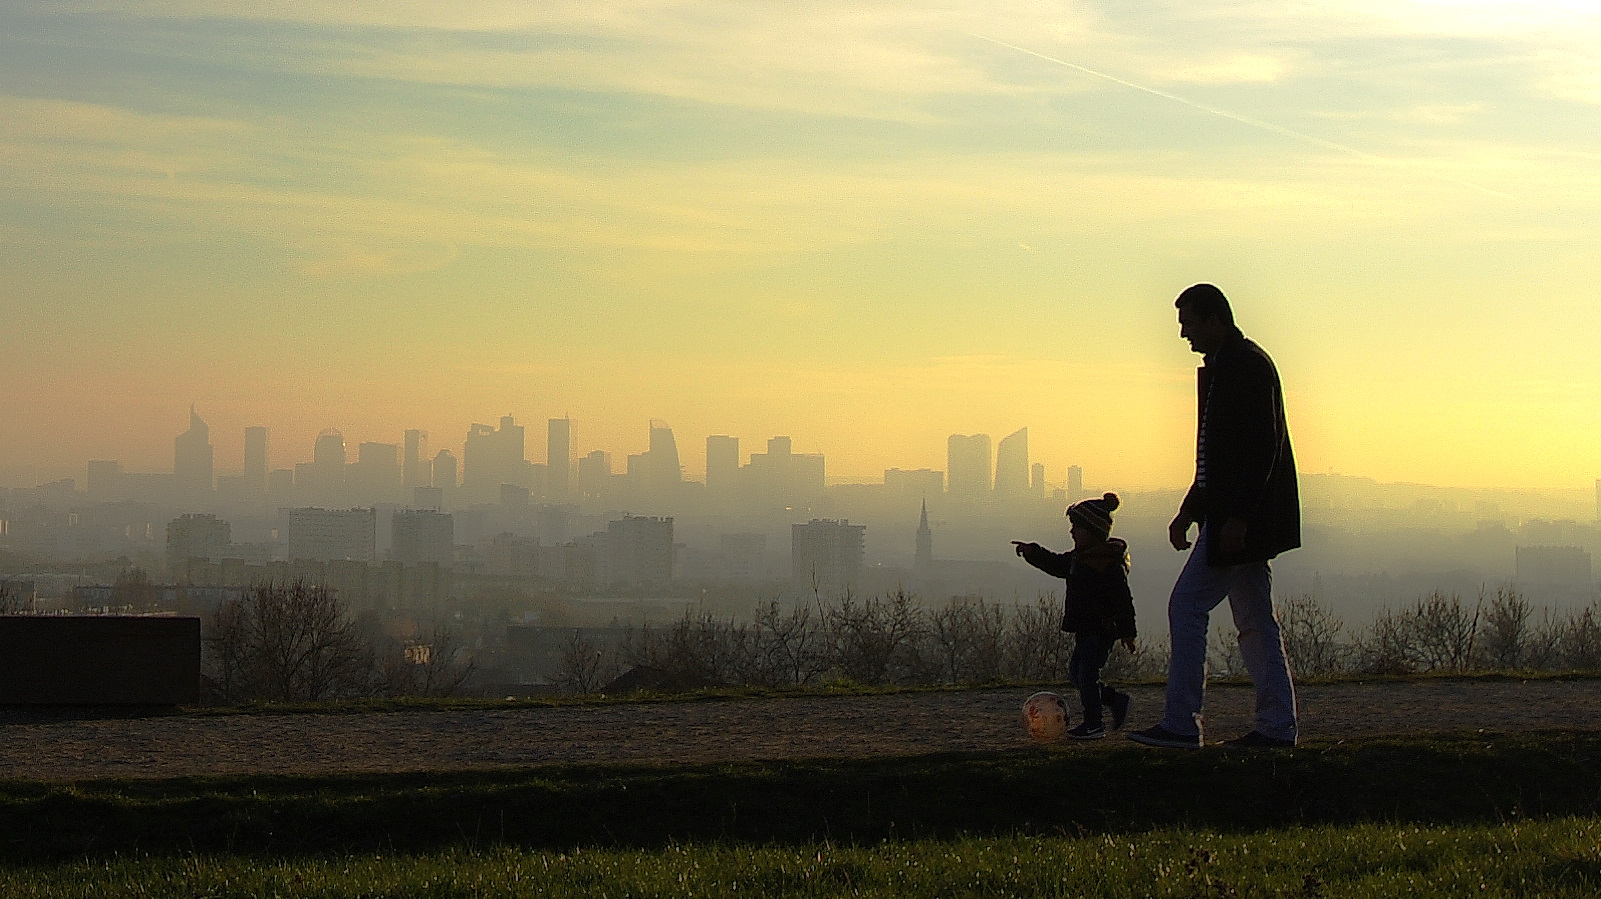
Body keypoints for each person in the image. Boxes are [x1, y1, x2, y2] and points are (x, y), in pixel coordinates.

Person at [1129, 283, 1301, 750]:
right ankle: (1276, 725)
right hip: (1236, 520)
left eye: (1188, 323)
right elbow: (1220, 457)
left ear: (1213, 319)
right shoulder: (1234, 367)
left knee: (1187, 607)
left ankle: (1183, 723)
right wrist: (1190, 511)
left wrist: (1237, 518)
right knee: (1255, 620)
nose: (1184, 334)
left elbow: (1259, 449)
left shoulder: (1244, 368)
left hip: (1237, 523)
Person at [1013, 492, 1137, 740]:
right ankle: (1114, 700)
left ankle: (1094, 724)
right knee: (1077, 674)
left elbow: (1123, 601)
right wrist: (1033, 552)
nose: (1072, 532)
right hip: (1084, 628)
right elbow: (1056, 564)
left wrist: (1127, 632)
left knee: (1087, 675)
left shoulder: (1107, 565)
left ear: (1093, 531)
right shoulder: (1079, 559)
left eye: (1077, 527)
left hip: (1101, 630)